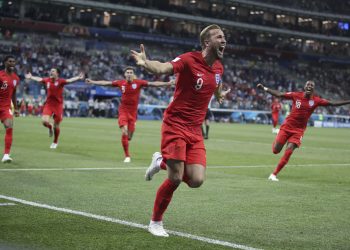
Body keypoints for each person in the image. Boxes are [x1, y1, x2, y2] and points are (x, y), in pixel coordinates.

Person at [131, 24, 230, 237]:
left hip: (195, 131)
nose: (224, 40)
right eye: (219, 37)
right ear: (206, 42)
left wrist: (220, 95)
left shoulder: (219, 67)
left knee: (196, 180)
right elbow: (163, 67)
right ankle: (155, 222)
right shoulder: (188, 59)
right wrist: (145, 63)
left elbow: (216, 84)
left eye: (224, 37)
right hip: (175, 124)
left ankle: (160, 161)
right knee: (175, 178)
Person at [257, 81, 350, 181]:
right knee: (275, 151)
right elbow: (279, 94)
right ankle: (277, 138)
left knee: (289, 151)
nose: (309, 86)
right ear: (305, 87)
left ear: (313, 89)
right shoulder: (296, 95)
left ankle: (274, 174)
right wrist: (264, 88)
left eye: (311, 85)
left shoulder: (316, 101)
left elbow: (332, 103)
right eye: (308, 85)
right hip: (286, 127)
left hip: (298, 131)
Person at [86, 66, 174, 163]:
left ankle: (127, 139)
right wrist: (93, 82)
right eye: (127, 72)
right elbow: (106, 83)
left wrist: (167, 83)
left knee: (129, 136)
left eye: (130, 72)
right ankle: (127, 156)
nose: (129, 74)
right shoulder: (120, 83)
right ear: (125, 74)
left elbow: (153, 84)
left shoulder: (138, 83)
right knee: (124, 131)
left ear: (133, 74)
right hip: (123, 111)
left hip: (133, 113)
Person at [25, 69, 84, 149]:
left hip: (58, 105)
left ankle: (55, 142)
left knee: (57, 125)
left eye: (53, 71)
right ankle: (50, 127)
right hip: (49, 105)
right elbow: (39, 79)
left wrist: (78, 77)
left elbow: (69, 80)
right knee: (44, 122)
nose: (51, 72)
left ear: (57, 74)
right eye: (51, 71)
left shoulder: (61, 81)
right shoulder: (47, 80)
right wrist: (31, 77)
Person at [0, 55, 20, 163]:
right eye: (10, 61)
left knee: (9, 126)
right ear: (5, 63)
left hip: (5, 107)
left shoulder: (16, 78)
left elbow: (14, 94)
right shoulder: (0, 75)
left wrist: (16, 108)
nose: (12, 63)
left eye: (13, 61)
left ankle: (6, 155)